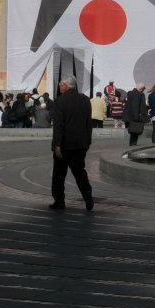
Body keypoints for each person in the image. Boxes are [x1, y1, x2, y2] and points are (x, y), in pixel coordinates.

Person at [49, 75, 94, 212]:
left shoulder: (60, 101)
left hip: (64, 145)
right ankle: (88, 197)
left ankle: (59, 201)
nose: (59, 86)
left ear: (66, 86)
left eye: (61, 84)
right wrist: (87, 141)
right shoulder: (85, 99)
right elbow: (88, 123)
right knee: (80, 172)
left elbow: (58, 125)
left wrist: (57, 144)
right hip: (80, 144)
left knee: (59, 174)